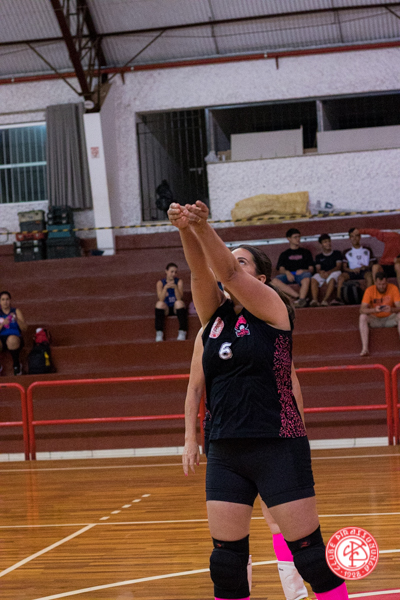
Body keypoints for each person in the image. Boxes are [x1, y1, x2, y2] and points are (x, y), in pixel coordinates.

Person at [169, 200, 347, 600]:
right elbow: (201, 272)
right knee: (226, 565)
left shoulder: (273, 309)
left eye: (242, 261)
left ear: (261, 278)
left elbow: (227, 273)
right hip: (225, 449)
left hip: (277, 445)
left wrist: (204, 227)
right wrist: (185, 229)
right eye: (230, 258)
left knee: (311, 559)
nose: (231, 265)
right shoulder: (213, 321)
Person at [184, 329, 309, 600]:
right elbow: (194, 388)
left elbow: (291, 381)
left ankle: (297, 596)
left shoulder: (269, 325)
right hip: (225, 440)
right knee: (231, 538)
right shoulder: (207, 333)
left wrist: (299, 434)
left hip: (270, 435)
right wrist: (189, 439)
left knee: (278, 522)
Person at [359, 271, 400, 357]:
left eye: (383, 284)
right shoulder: (369, 290)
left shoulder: (393, 288)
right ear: (375, 282)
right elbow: (362, 310)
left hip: (390, 318)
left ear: (387, 282)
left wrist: (391, 309)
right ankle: (365, 349)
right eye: (379, 284)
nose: (381, 286)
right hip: (375, 319)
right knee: (362, 317)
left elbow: (399, 307)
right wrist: (374, 310)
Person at [272, 228, 314, 308]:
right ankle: (298, 298)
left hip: (302, 275)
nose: (298, 239)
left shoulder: (306, 252)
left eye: (299, 237)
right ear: (289, 239)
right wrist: (287, 272)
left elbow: (311, 269)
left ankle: (301, 299)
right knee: (273, 281)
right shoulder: (284, 254)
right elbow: (281, 269)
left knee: (307, 278)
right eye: (295, 237)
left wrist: (303, 270)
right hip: (288, 275)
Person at [331, 227, 374, 305]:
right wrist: (352, 270)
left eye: (356, 236)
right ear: (349, 238)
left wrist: (365, 267)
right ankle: (339, 299)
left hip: (364, 271)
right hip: (351, 271)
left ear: (360, 237)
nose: (354, 238)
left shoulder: (367, 250)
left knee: (370, 276)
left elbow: (372, 263)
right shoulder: (346, 252)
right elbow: (344, 267)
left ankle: (368, 299)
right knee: (341, 277)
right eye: (352, 236)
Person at [155, 262, 188, 341]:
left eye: (175, 272)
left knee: (179, 303)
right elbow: (161, 299)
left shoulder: (179, 281)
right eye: (172, 272)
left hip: (176, 308)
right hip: (166, 308)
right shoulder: (160, 283)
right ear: (166, 271)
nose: (173, 274)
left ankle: (182, 331)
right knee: (159, 304)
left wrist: (175, 287)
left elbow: (179, 298)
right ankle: (159, 332)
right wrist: (165, 288)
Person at [310, 234, 342, 307]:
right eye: (325, 242)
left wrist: (329, 272)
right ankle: (315, 300)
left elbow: (338, 266)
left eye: (329, 241)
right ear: (321, 245)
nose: (328, 243)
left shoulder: (337, 253)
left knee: (332, 279)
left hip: (334, 272)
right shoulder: (318, 257)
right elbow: (318, 269)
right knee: (314, 278)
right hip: (324, 273)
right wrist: (321, 272)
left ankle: (325, 300)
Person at [0, 291, 27, 375]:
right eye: (3, 299)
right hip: (1, 339)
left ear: (10, 300)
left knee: (11, 340)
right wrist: (2, 324)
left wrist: (17, 320)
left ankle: (16, 365)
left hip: (15, 337)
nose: (5, 302)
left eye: (7, 299)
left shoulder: (16, 311)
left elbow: (25, 328)